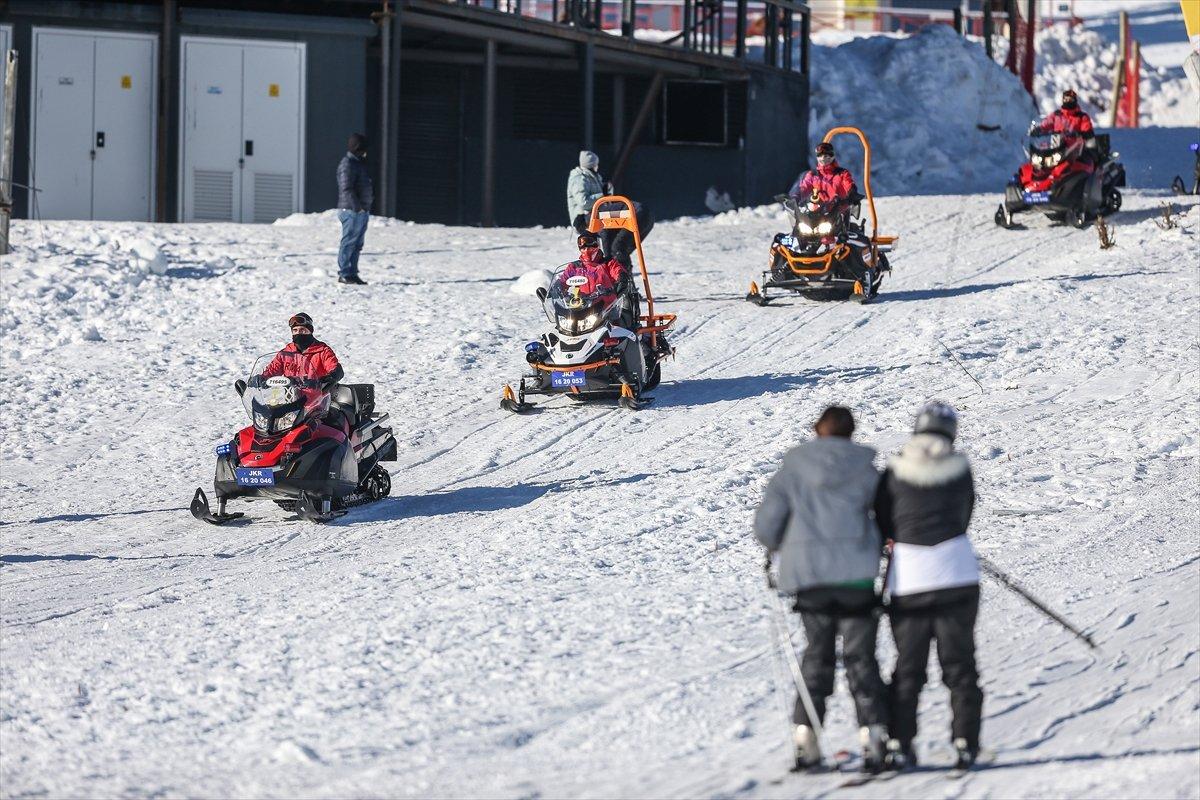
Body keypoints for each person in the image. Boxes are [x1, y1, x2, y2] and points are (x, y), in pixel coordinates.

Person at [754, 406, 889, 774]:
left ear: (816, 429)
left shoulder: (792, 471)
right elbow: (888, 519)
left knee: (817, 655)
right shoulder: (867, 471)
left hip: (810, 578)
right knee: (861, 658)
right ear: (851, 432)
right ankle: (874, 736)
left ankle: (805, 740)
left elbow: (767, 528)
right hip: (857, 577)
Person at [873, 401, 983, 772]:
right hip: (957, 573)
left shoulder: (894, 471)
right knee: (960, 665)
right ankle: (965, 740)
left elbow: (884, 520)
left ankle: (901, 742)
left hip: (911, 579)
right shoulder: (961, 469)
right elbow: (965, 514)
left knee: (908, 668)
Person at [565, 150, 654, 268]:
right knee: (608, 240)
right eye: (596, 164)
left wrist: (606, 190)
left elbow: (604, 198)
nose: (597, 167)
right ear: (591, 164)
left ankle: (615, 266)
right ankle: (609, 265)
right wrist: (602, 195)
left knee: (615, 242)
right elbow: (583, 201)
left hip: (598, 214)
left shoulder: (594, 176)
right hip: (583, 218)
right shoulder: (579, 178)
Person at [261, 313, 344, 387]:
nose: (298, 333)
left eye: (302, 330)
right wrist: (261, 379)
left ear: (310, 331)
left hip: (317, 398)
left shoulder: (322, 351)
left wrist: (329, 377)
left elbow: (333, 366)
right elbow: (272, 371)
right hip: (289, 397)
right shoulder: (285, 354)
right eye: (295, 330)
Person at [336, 133, 373, 285]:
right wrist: (357, 208)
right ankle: (344, 273)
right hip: (351, 211)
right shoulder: (348, 164)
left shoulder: (358, 163)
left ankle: (352, 273)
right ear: (358, 148)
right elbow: (346, 188)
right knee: (349, 242)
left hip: (361, 210)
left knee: (357, 244)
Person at [1029, 89, 1097, 165]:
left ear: (1074, 100)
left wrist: (1084, 134)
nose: (1067, 101)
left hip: (1073, 149)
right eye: (1066, 99)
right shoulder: (1057, 115)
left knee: (1073, 165)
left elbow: (1087, 128)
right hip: (1056, 147)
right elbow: (1047, 123)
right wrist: (1039, 129)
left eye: (1070, 99)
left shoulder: (1081, 117)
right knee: (1041, 159)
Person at [790, 141, 858, 212]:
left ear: (832, 156)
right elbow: (804, 187)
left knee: (844, 220)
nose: (823, 158)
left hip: (839, 211)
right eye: (820, 155)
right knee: (802, 221)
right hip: (818, 211)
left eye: (826, 156)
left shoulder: (842, 173)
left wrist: (852, 193)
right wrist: (795, 197)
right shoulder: (813, 174)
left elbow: (849, 184)